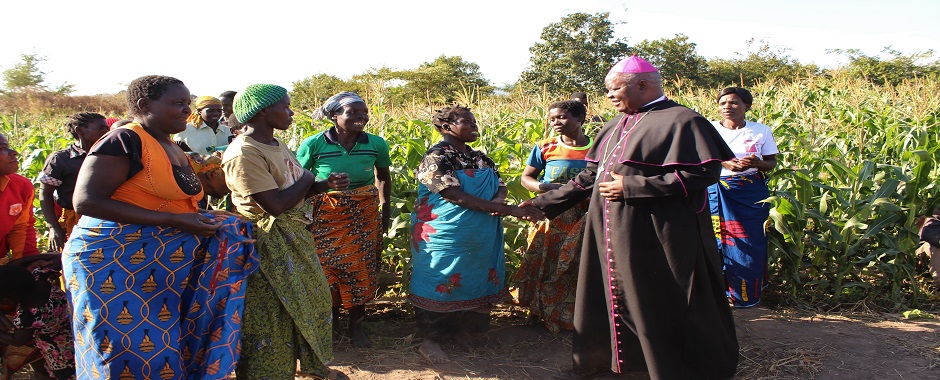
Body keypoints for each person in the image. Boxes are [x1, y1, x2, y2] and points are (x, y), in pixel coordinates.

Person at [527, 56, 739, 379]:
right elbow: (588, 178)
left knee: (656, 300)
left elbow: (704, 172)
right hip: (608, 233)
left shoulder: (682, 120)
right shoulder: (613, 125)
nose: (609, 97)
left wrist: (633, 186)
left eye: (614, 89)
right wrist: (543, 204)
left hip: (656, 235)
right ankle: (612, 364)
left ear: (641, 85)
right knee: (609, 295)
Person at [62, 75, 257, 379]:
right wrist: (174, 221)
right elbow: (86, 201)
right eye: (177, 103)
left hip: (161, 268)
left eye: (187, 103)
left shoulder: (172, 146)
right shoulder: (124, 140)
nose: (186, 110)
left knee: (163, 348)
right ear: (144, 105)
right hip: (113, 264)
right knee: (123, 352)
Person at [221, 84, 349, 380]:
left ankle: (311, 366)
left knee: (308, 301)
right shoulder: (244, 152)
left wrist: (323, 185)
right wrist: (307, 177)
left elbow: (293, 191)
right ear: (263, 111)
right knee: (271, 315)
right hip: (266, 245)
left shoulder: (275, 144)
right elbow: (275, 205)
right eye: (285, 107)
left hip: (293, 238)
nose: (291, 113)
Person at [409, 105, 544, 364]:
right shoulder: (436, 157)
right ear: (446, 127)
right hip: (444, 233)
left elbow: (500, 185)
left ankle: (466, 333)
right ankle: (431, 340)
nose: (474, 126)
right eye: (466, 122)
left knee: (476, 276)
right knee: (441, 276)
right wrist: (508, 209)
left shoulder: (479, 157)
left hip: (480, 232)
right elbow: (452, 194)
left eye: (474, 122)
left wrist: (499, 200)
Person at [296, 92, 391, 348]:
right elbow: (297, 181)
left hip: (364, 213)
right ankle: (332, 322)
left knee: (360, 268)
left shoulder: (376, 144)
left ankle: (357, 325)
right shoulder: (314, 144)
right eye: (352, 113)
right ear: (334, 116)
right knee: (327, 270)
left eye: (364, 113)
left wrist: (385, 211)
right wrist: (324, 185)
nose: (361, 117)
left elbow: (383, 177)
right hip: (327, 214)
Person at [511, 100, 593, 333]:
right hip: (551, 213)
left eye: (562, 117)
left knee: (577, 264)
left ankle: (576, 315)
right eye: (553, 118)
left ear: (580, 119)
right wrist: (549, 189)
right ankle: (537, 311)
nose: (555, 122)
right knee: (544, 261)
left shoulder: (597, 148)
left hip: (585, 215)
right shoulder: (545, 147)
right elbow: (526, 179)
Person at [708, 87, 779, 308]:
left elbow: (771, 161)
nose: (727, 107)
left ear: (747, 106)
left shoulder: (761, 131)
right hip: (716, 191)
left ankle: (745, 294)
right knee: (718, 240)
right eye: (723, 103)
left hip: (749, 194)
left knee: (749, 241)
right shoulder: (709, 129)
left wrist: (757, 164)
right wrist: (724, 163)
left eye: (734, 103)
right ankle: (718, 294)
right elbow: (698, 157)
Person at [38, 112, 110, 252]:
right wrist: (53, 227)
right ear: (79, 130)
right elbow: (45, 194)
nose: (107, 131)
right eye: (101, 128)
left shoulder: (109, 156)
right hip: (74, 220)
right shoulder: (60, 159)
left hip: (107, 217)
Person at [0, 254, 75, 380]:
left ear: (8, 301)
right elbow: (58, 257)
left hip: (62, 358)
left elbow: (17, 340)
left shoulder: (28, 316)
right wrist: (37, 259)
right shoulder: (40, 276)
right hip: (74, 336)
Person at [0, 132, 39, 264]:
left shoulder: (21, 187)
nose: (14, 152)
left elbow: (21, 228)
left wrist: (28, 264)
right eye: (2, 148)